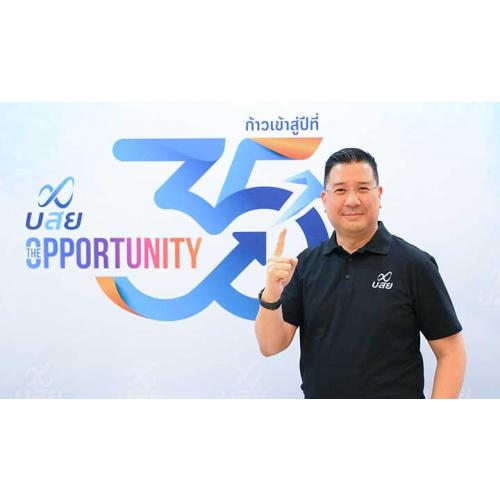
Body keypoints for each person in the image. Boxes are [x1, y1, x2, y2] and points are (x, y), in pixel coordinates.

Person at [255, 147, 466, 398]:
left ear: (379, 194)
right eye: (340, 190)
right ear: (324, 199)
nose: (352, 200)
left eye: (363, 188)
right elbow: (270, 345)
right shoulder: (306, 265)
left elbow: (451, 351)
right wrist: (272, 293)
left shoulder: (414, 264)